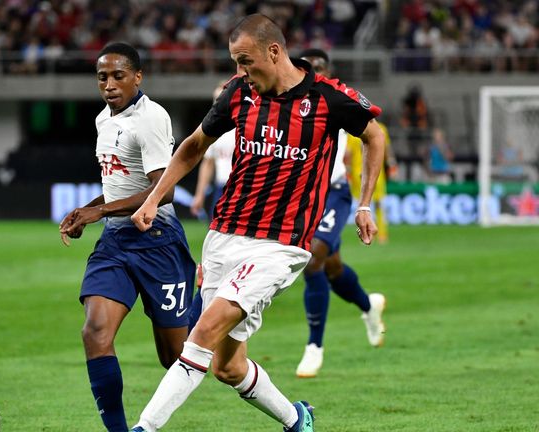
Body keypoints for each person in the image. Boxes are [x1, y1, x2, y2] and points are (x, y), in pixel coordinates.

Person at [129, 14, 385, 432]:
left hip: (279, 245)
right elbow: (194, 145)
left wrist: (364, 204)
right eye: (235, 62)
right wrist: (154, 199)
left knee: (204, 331)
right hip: (224, 235)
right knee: (229, 367)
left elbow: (373, 135)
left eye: (245, 61)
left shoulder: (326, 97)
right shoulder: (238, 94)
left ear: (274, 51)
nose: (240, 72)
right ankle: (296, 420)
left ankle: (144, 428)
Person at [59, 42, 195, 432]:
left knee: (176, 358)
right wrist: (89, 210)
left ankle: (204, 309)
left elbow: (163, 191)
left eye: (119, 75)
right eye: (102, 76)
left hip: (159, 243)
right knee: (95, 331)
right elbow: (119, 188)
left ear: (138, 76)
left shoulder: (151, 118)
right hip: (116, 245)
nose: (109, 84)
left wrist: (98, 211)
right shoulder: (104, 119)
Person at [294, 49, 387, 379]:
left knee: (313, 258)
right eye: (307, 67)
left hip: (332, 193)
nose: (313, 72)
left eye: (319, 67)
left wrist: (364, 203)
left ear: (328, 71)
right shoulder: (289, 102)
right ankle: (368, 305)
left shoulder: (337, 99)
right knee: (332, 268)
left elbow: (370, 135)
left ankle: (314, 346)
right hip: (303, 196)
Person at [190, 83, 236, 221]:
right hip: (220, 188)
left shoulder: (243, 128)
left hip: (240, 187)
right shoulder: (213, 131)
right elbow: (208, 163)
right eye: (215, 100)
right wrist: (199, 195)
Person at [346, 119, 397, 244]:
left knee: (361, 206)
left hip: (359, 174)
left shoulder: (353, 129)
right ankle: (382, 235)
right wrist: (392, 166)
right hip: (375, 172)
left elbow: (348, 154)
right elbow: (386, 150)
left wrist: (347, 172)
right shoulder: (380, 128)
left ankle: (364, 234)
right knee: (378, 204)